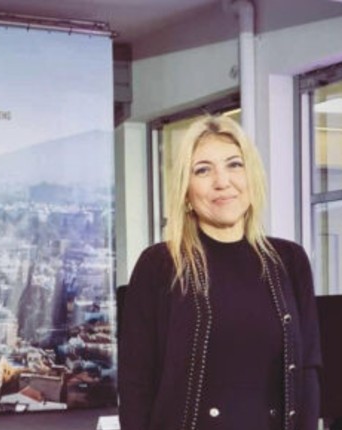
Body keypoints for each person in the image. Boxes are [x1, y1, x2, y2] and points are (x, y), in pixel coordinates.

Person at [117, 115, 322, 430]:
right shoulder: (159, 265)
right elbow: (135, 384)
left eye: (234, 165)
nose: (222, 182)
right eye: (203, 170)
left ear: (251, 177)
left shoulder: (289, 260)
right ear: (186, 191)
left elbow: (307, 371)